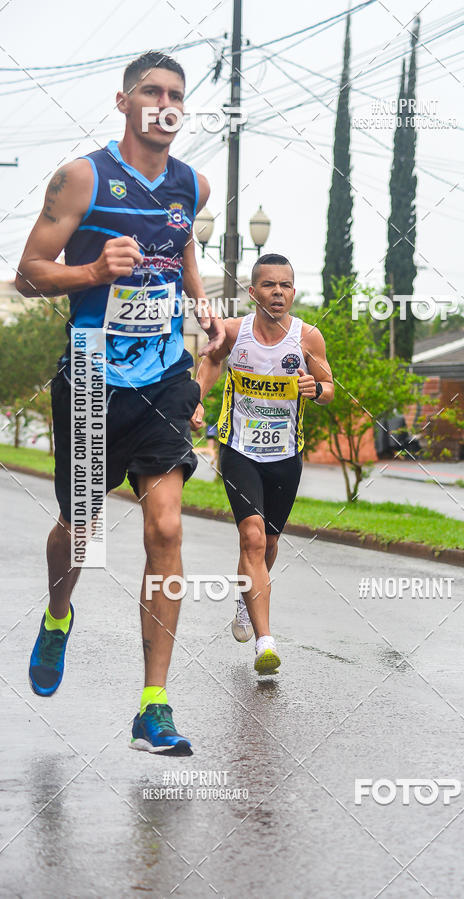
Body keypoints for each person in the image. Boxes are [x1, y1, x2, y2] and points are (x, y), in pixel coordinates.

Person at [16, 51, 224, 755]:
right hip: (91, 375)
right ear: (124, 101)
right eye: (150, 91)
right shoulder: (81, 177)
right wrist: (93, 269)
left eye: (175, 94)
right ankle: (58, 613)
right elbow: (28, 273)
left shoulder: (192, 184)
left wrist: (203, 304)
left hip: (164, 377)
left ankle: (152, 705)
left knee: (166, 528)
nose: (164, 103)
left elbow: (180, 244)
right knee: (81, 530)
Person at [191, 254, 334, 674]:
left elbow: (329, 388)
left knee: (269, 544)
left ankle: (244, 596)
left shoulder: (308, 338)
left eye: (285, 285)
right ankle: (265, 642)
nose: (278, 292)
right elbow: (212, 361)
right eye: (269, 285)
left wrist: (315, 388)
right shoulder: (235, 332)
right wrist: (196, 398)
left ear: (293, 292)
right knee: (252, 538)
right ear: (253, 292)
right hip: (238, 450)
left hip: (285, 455)